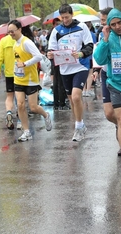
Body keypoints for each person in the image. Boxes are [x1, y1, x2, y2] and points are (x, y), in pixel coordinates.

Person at [47, 3, 93, 142]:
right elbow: (51, 50)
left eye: (67, 17)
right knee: (72, 100)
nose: (65, 20)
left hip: (80, 66)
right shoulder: (57, 31)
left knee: (76, 96)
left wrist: (81, 53)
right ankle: (81, 124)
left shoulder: (82, 27)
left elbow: (90, 46)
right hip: (65, 68)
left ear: (72, 15)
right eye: (63, 18)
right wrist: (50, 55)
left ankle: (78, 127)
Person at [93, 9, 121, 171]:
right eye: (113, 24)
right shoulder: (107, 39)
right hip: (116, 85)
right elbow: (100, 59)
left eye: (119, 23)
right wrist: (105, 40)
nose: (117, 27)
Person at [7, 20, 52, 141]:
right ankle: (27, 132)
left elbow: (38, 56)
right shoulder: (14, 44)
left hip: (31, 79)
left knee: (33, 107)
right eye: (9, 32)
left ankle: (46, 115)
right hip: (18, 79)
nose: (11, 34)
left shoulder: (26, 42)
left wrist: (25, 64)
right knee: (20, 105)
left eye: (13, 31)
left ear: (20, 29)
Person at [92, 7, 120, 156]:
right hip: (107, 74)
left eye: (104, 21)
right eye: (102, 21)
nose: (103, 24)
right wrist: (96, 70)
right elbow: (99, 57)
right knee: (109, 113)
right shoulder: (102, 34)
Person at [0, 34, 19, 130]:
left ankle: (9, 112)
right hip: (20, 72)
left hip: (9, 73)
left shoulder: (3, 41)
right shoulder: (19, 39)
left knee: (9, 96)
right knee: (19, 96)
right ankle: (20, 119)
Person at [47, 18, 69, 110]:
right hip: (57, 58)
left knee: (58, 81)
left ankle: (59, 102)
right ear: (53, 25)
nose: (58, 25)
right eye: (56, 23)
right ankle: (60, 102)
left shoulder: (57, 32)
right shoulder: (54, 32)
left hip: (59, 58)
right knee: (59, 82)